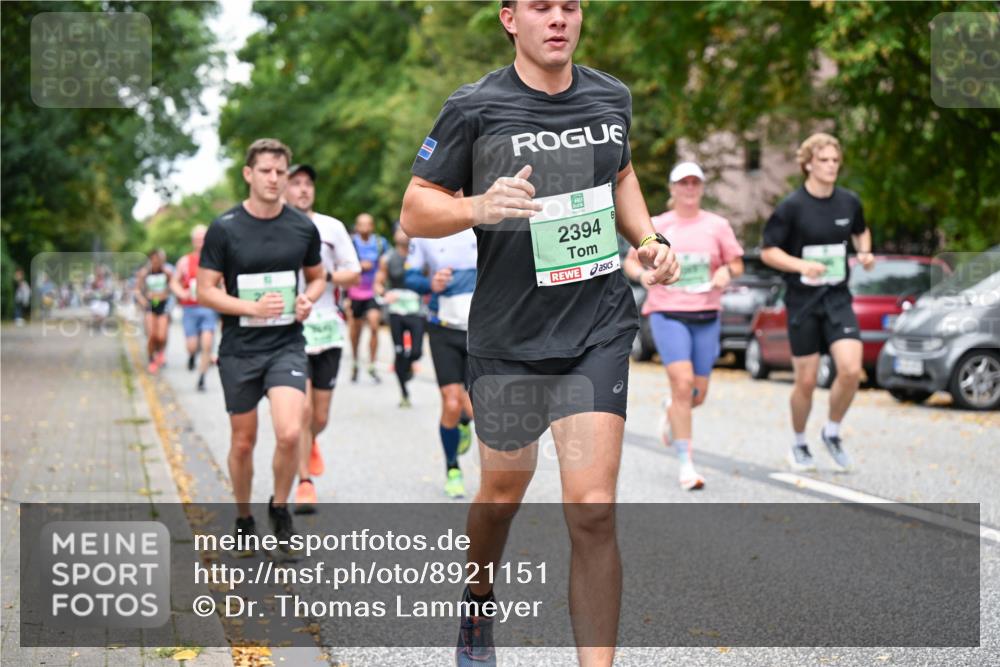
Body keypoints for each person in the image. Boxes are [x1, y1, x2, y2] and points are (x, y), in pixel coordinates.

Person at [399, 2, 679, 664]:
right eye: (541, 7)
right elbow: (415, 208)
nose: (558, 19)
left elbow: (620, 174)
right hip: (510, 337)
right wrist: (477, 205)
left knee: (593, 508)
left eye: (569, 6)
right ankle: (477, 601)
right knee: (502, 495)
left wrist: (649, 237)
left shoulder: (610, 98)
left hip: (596, 326)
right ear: (509, 18)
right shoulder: (474, 106)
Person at [196, 138, 325, 560]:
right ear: (248, 174)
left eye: (280, 172)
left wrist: (307, 299)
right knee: (243, 442)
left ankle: (280, 509)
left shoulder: (302, 227)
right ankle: (243, 518)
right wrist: (250, 307)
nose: (274, 179)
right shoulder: (225, 228)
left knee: (290, 431)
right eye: (266, 171)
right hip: (239, 348)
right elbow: (204, 291)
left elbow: (317, 277)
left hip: (286, 343)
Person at [623, 162, 744, 490]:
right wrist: (643, 276)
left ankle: (672, 410)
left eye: (695, 183)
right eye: (683, 183)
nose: (689, 188)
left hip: (706, 316)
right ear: (672, 188)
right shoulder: (657, 225)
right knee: (682, 384)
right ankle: (686, 466)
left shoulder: (717, 226)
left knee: (696, 395)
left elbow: (736, 263)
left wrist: (727, 272)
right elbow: (631, 261)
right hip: (668, 313)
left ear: (701, 188)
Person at [761, 132, 874, 473]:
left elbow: (861, 231)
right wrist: (800, 266)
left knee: (851, 370)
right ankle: (799, 442)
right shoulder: (792, 207)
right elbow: (768, 251)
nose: (831, 166)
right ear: (808, 164)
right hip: (803, 301)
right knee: (807, 381)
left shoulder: (849, 202)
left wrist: (865, 252)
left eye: (835, 160)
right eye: (823, 160)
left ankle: (832, 431)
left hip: (837, 297)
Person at [284, 163, 362, 513]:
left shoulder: (332, 227)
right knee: (300, 411)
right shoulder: (275, 227)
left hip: (328, 324)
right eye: (295, 183)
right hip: (291, 327)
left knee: (319, 416)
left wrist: (323, 276)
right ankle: (304, 483)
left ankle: (310, 440)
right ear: (284, 189)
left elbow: (354, 273)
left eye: (308, 184)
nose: (303, 189)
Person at [404, 225, 478, 498]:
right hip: (442, 328)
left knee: (476, 408)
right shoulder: (426, 230)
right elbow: (410, 276)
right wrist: (430, 283)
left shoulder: (484, 221)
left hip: (479, 330)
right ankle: (452, 468)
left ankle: (463, 422)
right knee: (451, 401)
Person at [374, 223, 426, 408]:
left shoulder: (421, 256)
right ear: (394, 235)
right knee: (399, 352)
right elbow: (378, 283)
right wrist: (384, 293)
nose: (403, 234)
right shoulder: (387, 258)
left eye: (406, 230)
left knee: (416, 352)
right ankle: (404, 392)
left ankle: (409, 365)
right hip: (396, 311)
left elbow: (430, 277)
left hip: (416, 310)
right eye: (399, 231)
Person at [170, 225, 219, 392]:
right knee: (191, 346)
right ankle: (192, 355)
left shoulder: (215, 259)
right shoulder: (184, 261)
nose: (200, 242)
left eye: (203, 238)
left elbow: (223, 281)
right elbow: (174, 281)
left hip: (208, 308)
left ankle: (201, 378)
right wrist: (181, 293)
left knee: (207, 344)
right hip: (190, 309)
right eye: (197, 239)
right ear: (193, 241)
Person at [347, 212, 390, 383]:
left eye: (368, 224)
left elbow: (386, 265)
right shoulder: (350, 243)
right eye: (361, 224)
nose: (364, 227)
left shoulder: (380, 243)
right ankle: (355, 361)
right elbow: (342, 265)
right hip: (354, 293)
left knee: (373, 325)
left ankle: (372, 364)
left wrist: (381, 279)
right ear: (357, 227)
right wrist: (358, 266)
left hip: (372, 292)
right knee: (355, 330)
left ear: (372, 226)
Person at [134, 249, 173, 374]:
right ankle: (151, 360)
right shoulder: (144, 273)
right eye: (153, 260)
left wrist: (166, 293)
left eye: (158, 260)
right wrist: (143, 301)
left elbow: (172, 287)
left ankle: (160, 352)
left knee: (161, 335)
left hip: (163, 305)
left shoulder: (167, 273)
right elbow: (137, 290)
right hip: (150, 305)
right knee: (152, 335)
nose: (156, 262)